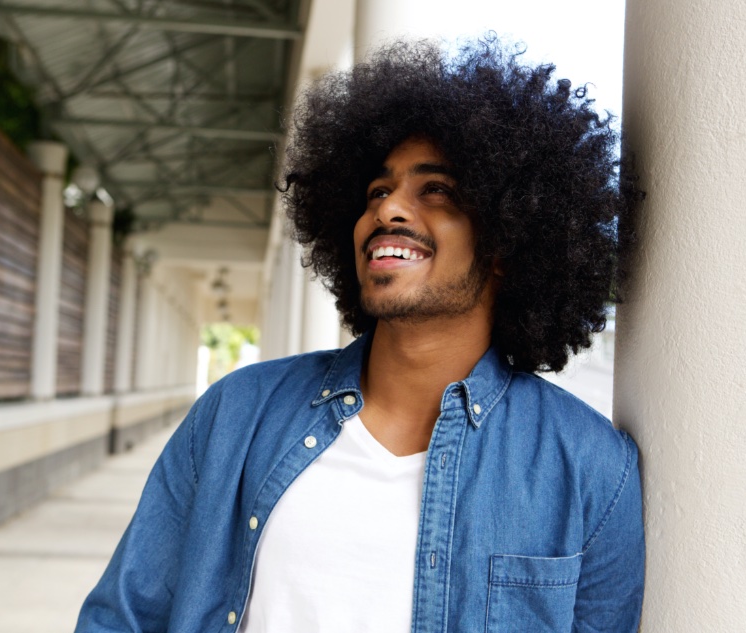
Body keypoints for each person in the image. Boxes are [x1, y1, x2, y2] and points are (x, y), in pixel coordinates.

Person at [76, 36, 644, 632]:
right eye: (377, 191)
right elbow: (122, 618)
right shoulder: (234, 415)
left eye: (437, 190)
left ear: (505, 243)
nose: (389, 210)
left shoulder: (592, 470)